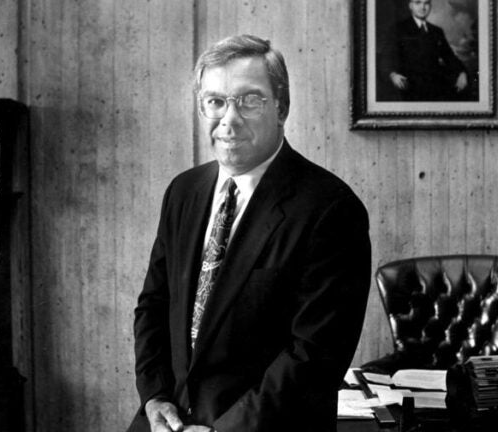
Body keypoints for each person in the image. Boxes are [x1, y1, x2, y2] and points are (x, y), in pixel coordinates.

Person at [126, 34, 371, 432]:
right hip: (169, 419)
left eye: (249, 100)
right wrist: (154, 396)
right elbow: (154, 304)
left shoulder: (331, 209)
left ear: (282, 107)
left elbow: (313, 355)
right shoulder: (183, 192)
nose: (229, 119)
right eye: (215, 101)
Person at [380, 0, 468, 101]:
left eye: (426, 3)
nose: (423, 7)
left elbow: (449, 57)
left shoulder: (437, 31)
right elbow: (386, 57)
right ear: (410, 6)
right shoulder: (398, 29)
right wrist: (392, 75)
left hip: (434, 87)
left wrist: (462, 73)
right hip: (408, 87)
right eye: (418, 3)